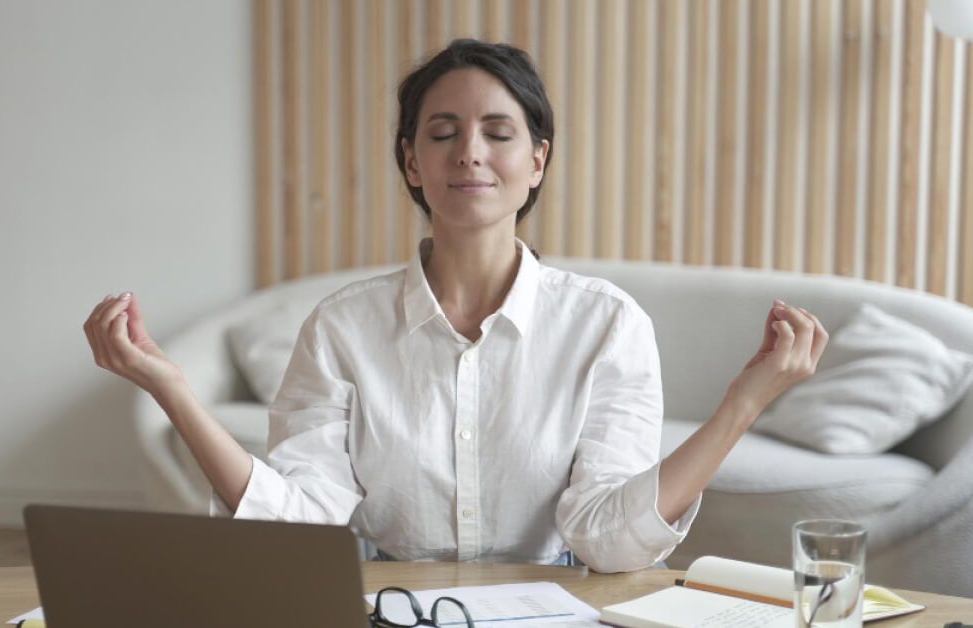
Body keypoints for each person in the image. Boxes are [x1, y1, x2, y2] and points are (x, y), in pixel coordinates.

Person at [82, 39, 827, 572]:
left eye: (498, 133)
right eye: (442, 133)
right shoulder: (342, 328)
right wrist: (171, 388)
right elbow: (299, 522)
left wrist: (744, 401)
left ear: (537, 160)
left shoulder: (606, 326)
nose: (469, 152)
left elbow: (608, 536)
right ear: (412, 161)